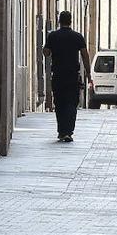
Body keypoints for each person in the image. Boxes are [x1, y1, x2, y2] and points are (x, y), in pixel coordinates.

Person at [43, 11, 91, 142]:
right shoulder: (77, 37)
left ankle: (61, 131)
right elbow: (85, 55)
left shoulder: (53, 36)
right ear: (71, 21)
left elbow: (46, 53)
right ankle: (69, 132)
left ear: (59, 21)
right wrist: (88, 73)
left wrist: (48, 44)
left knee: (59, 103)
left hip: (58, 75)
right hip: (72, 76)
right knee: (71, 103)